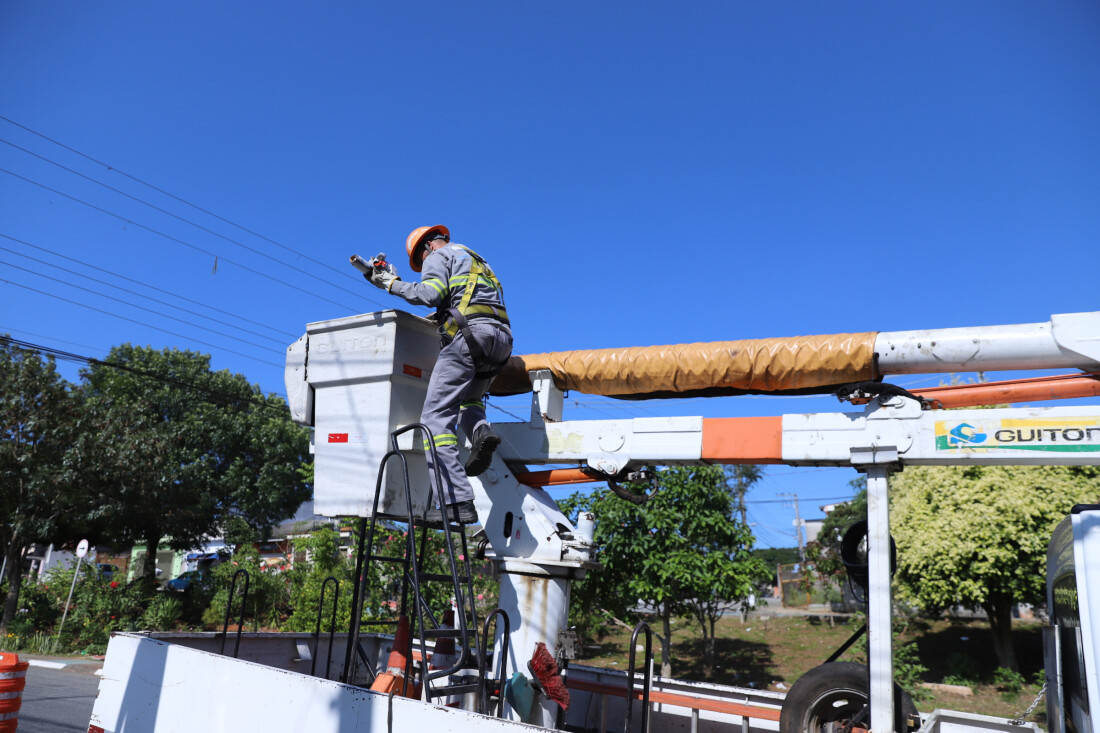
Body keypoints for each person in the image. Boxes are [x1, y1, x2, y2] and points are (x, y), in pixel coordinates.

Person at [364, 225, 513, 525]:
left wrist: (391, 283)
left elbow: (430, 293)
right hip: (500, 340)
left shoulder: (437, 255)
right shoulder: (477, 259)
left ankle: (457, 501)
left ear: (427, 247)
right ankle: (480, 430)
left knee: (435, 422)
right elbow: (467, 298)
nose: (423, 265)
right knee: (469, 403)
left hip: (470, 337)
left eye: (420, 260)